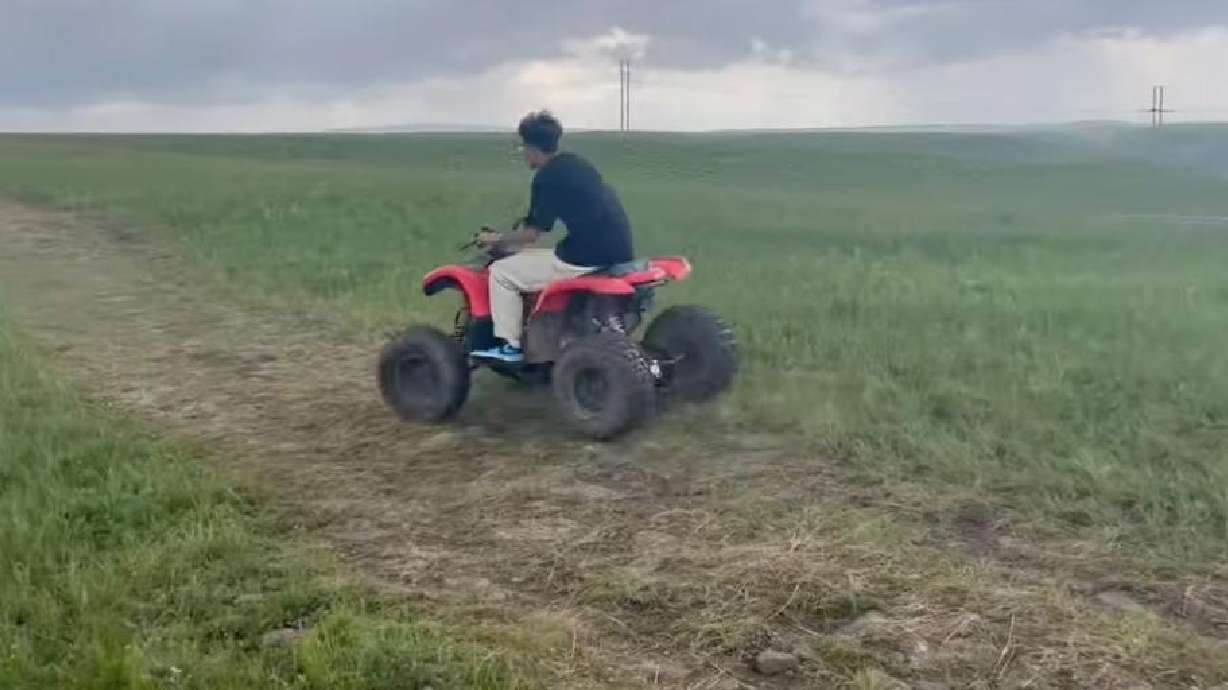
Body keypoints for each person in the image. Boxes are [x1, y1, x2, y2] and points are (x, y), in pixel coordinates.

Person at [470, 111, 635, 363]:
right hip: (618, 250)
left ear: (532, 148)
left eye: (523, 146)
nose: (523, 153)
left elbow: (532, 234)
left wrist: (495, 240)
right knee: (539, 259)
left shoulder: (545, 179)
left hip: (585, 257)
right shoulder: (575, 163)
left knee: (501, 274)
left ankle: (510, 347)